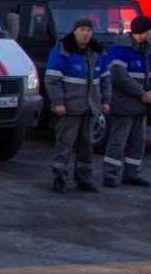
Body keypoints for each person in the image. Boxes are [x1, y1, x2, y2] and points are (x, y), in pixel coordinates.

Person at [46, 16, 111, 193]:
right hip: (69, 109)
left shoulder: (97, 54)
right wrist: (59, 103)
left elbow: (105, 80)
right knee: (64, 146)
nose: (85, 34)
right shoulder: (62, 51)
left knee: (86, 147)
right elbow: (52, 80)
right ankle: (59, 180)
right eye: (82, 30)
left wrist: (105, 101)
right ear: (75, 32)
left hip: (90, 109)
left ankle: (84, 180)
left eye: (88, 31)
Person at [102, 15, 151, 188]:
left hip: (142, 105)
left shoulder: (149, 49)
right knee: (118, 141)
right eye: (149, 30)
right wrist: (143, 93)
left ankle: (131, 174)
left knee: (137, 142)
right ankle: (110, 175)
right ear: (139, 32)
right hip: (125, 104)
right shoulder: (119, 49)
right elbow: (119, 77)